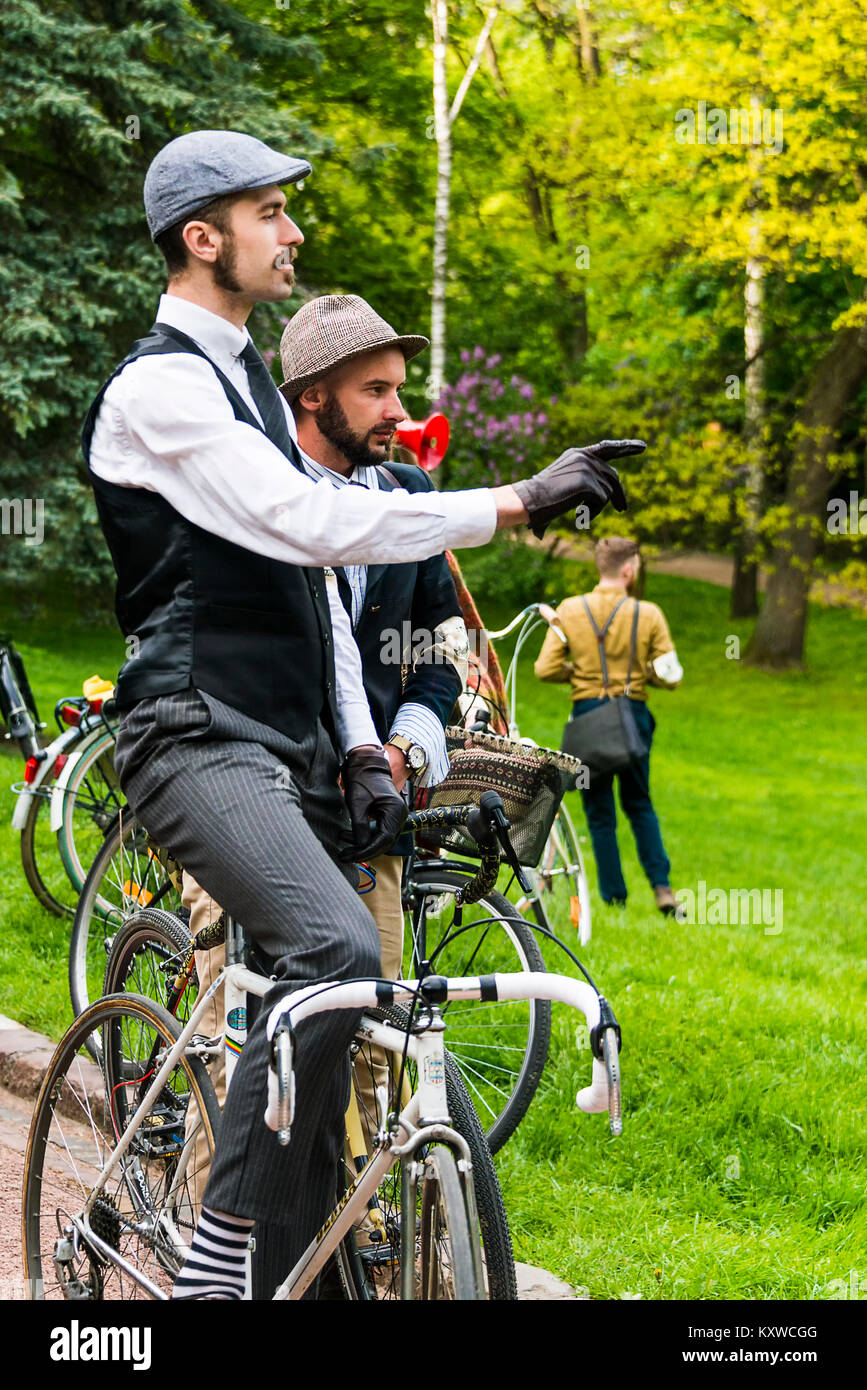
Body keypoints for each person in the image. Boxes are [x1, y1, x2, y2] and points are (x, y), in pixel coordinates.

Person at [84, 126, 639, 1299]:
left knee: (348, 1024)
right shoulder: (166, 387)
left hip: (290, 751)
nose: (293, 231)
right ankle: (215, 1262)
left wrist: (367, 749)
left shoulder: (241, 379)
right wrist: (521, 500)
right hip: (194, 734)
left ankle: (294, 1269)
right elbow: (316, 527)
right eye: (271, 212)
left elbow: (323, 614)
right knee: (333, 948)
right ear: (204, 237)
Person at [182, 293, 470, 1292]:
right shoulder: (247, 498)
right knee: (251, 1049)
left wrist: (410, 741)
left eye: (400, 388)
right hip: (257, 801)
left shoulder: (405, 496)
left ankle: (339, 1248)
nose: (400, 412)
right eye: (376, 391)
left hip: (370, 805)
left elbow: (438, 650)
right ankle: (210, 1246)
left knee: (372, 1040)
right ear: (313, 396)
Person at [534, 537, 681, 913]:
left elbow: (544, 668)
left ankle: (614, 898)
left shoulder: (570, 609)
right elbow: (671, 675)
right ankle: (663, 889)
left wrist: (579, 674)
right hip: (631, 718)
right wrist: (644, 673)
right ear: (629, 570)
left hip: (586, 719)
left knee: (599, 813)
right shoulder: (648, 614)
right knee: (639, 803)